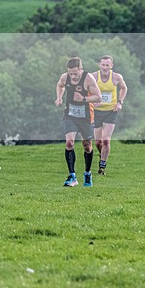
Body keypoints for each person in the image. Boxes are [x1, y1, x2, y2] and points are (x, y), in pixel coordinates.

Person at [55, 57, 101, 188]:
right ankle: (72, 176)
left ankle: (87, 173)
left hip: (86, 116)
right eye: (70, 73)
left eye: (75, 73)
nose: (73, 76)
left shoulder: (88, 79)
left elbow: (98, 96)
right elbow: (60, 85)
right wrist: (59, 97)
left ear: (81, 69)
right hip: (70, 115)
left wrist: (84, 98)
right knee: (69, 142)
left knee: (87, 146)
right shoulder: (65, 77)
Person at [92, 55, 128, 175]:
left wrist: (120, 102)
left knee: (106, 140)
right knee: (98, 142)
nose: (105, 67)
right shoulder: (93, 76)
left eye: (107, 65)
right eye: (103, 65)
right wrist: (92, 101)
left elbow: (124, 88)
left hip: (110, 111)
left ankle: (102, 166)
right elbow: (85, 89)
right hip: (96, 112)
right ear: (99, 65)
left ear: (111, 66)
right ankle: (102, 153)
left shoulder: (117, 77)